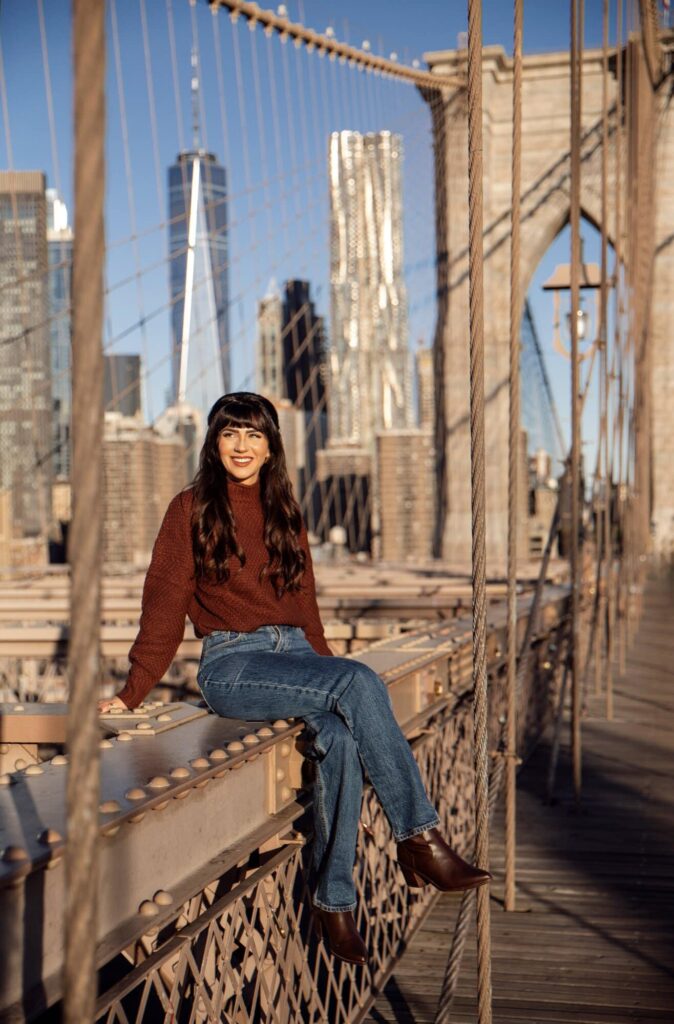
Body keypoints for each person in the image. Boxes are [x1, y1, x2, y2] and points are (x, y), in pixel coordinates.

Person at [98, 392, 489, 966]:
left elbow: (305, 604)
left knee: (341, 735)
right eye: (230, 433)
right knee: (356, 684)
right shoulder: (189, 508)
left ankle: (334, 903)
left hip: (298, 655)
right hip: (232, 664)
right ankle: (419, 839)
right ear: (213, 441)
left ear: (271, 446)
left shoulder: (285, 508)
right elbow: (163, 601)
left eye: (254, 435)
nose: (241, 445)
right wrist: (134, 690)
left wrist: (329, 669)